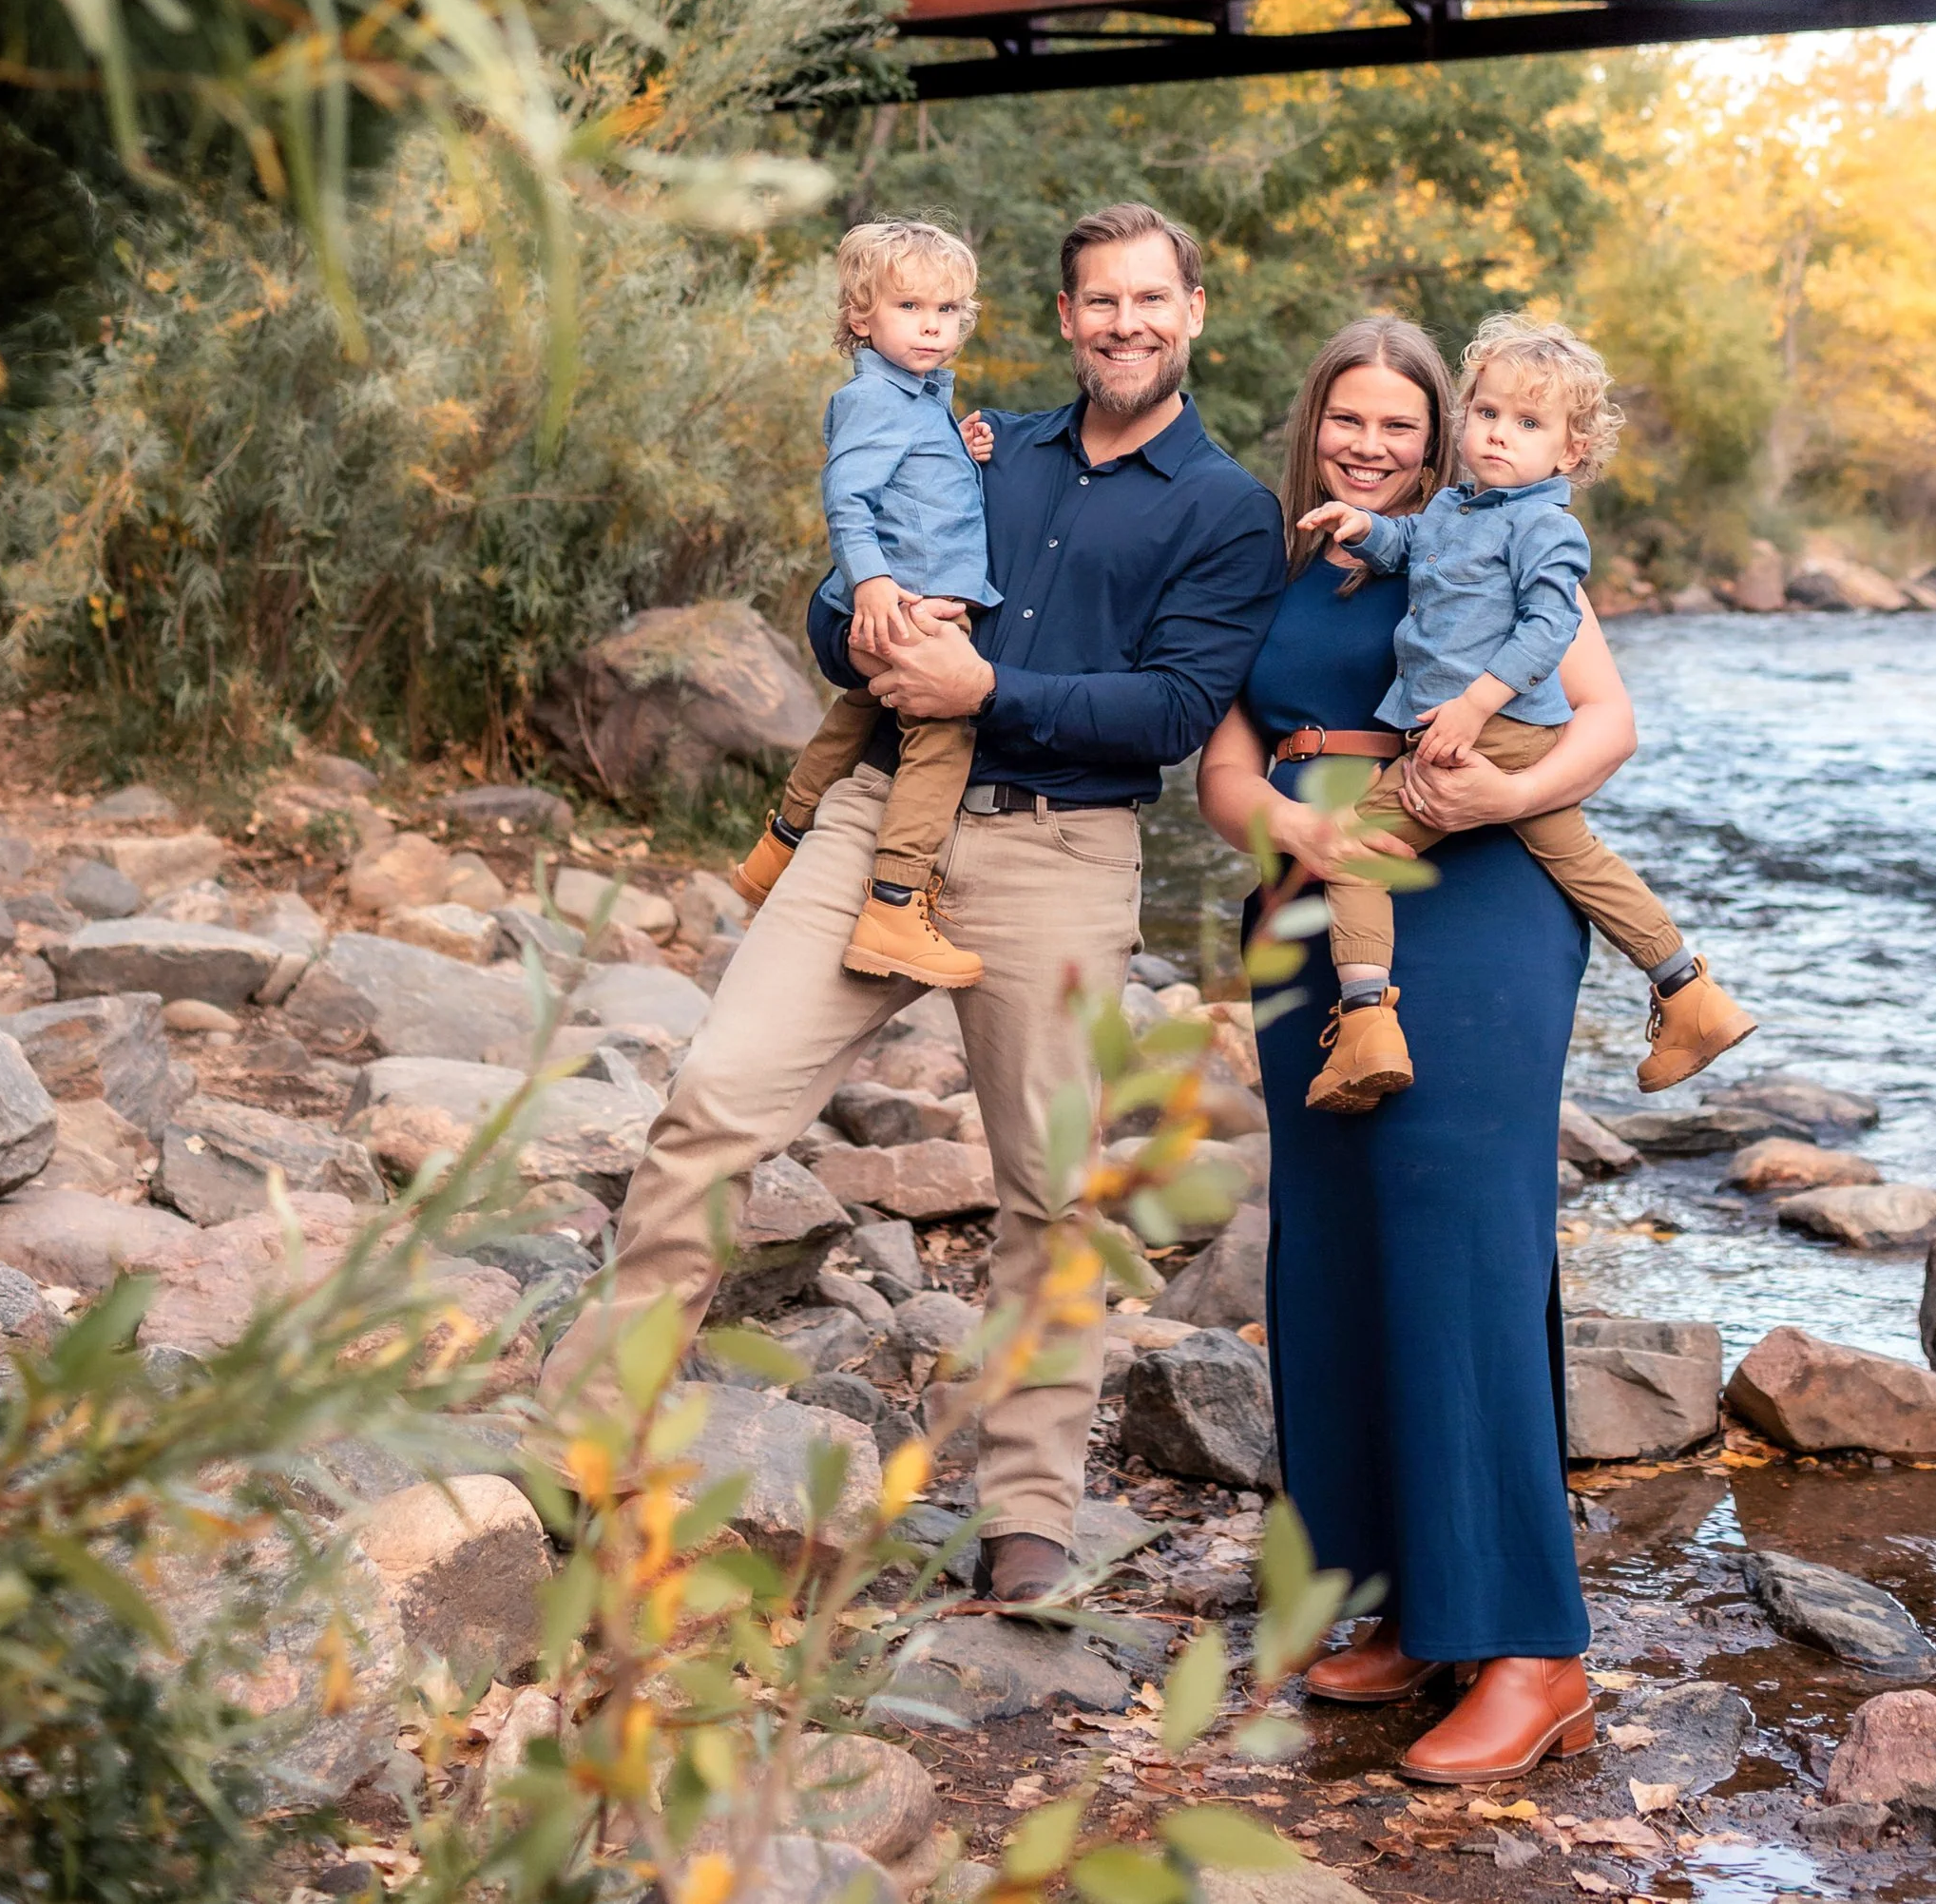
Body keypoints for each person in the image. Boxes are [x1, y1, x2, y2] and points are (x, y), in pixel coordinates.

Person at [545, 202, 1285, 1612]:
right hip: (879, 816)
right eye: (1099, 300)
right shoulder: (975, 439)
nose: (1124, 322)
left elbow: (1179, 708)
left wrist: (990, 687)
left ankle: (1027, 1513)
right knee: (714, 1099)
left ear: (1193, 309)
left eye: (1150, 298)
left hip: (1062, 853)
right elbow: (838, 601)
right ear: (1065, 318)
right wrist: (859, 619)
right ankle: (589, 1437)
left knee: (1048, 1190)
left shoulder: (1226, 507)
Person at [1197, 316, 1637, 1785]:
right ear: (1312, 423)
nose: (1372, 446)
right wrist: (1296, 828)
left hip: (1478, 898)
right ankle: (1405, 1600)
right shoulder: (1268, 557)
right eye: (1349, 420)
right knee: (1338, 1250)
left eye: (1403, 424)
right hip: (1308, 908)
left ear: (1444, 431)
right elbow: (1222, 762)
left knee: (1462, 1242)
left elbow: (1608, 722)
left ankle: (1532, 1648)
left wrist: (1501, 799)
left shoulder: (1494, 530)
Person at [1294, 314, 1753, 1114]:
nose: (1501, 432)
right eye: (1488, 412)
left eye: (1529, 422)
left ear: (1572, 450)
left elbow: (1550, 626)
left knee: (1357, 850)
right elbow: (1408, 545)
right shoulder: (1454, 508)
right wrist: (1364, 528)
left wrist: (1473, 708)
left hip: (1488, 730)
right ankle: (1688, 993)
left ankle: (1366, 1025)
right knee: (1580, 859)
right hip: (1497, 733)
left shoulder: (1546, 526)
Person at [730, 219, 1000, 993]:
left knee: (858, 711)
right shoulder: (875, 398)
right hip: (908, 605)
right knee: (944, 733)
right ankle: (893, 905)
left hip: (910, 600)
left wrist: (958, 449)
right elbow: (847, 498)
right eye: (910, 306)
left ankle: (776, 850)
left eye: (946, 310)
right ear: (860, 315)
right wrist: (873, 583)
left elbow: (915, 483)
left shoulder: (918, 400)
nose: (932, 325)